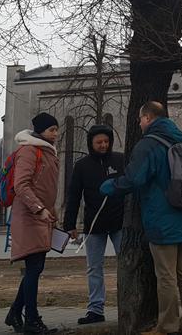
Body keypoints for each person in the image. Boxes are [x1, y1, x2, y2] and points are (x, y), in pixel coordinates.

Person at [99, 101, 182, 335]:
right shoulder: (181, 139)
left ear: (147, 118)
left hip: (162, 219)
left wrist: (111, 186)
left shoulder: (148, 145)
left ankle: (167, 327)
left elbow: (135, 179)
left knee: (166, 276)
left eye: (139, 119)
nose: (139, 123)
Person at [63, 124, 125, 325]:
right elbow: (73, 195)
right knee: (94, 268)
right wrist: (69, 224)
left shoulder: (120, 160)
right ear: (91, 143)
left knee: (126, 265)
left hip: (119, 223)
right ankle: (96, 309)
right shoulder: (82, 166)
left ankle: (127, 305)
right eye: (99, 142)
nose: (103, 145)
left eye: (106, 141)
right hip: (94, 226)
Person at [4, 112, 60, 335]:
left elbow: (46, 188)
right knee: (34, 268)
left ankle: (16, 314)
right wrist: (40, 209)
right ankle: (31, 320)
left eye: (56, 129)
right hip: (29, 217)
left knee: (34, 269)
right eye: (51, 130)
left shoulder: (47, 151)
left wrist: (52, 212)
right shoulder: (29, 150)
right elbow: (22, 186)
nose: (55, 134)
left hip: (41, 216)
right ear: (40, 131)